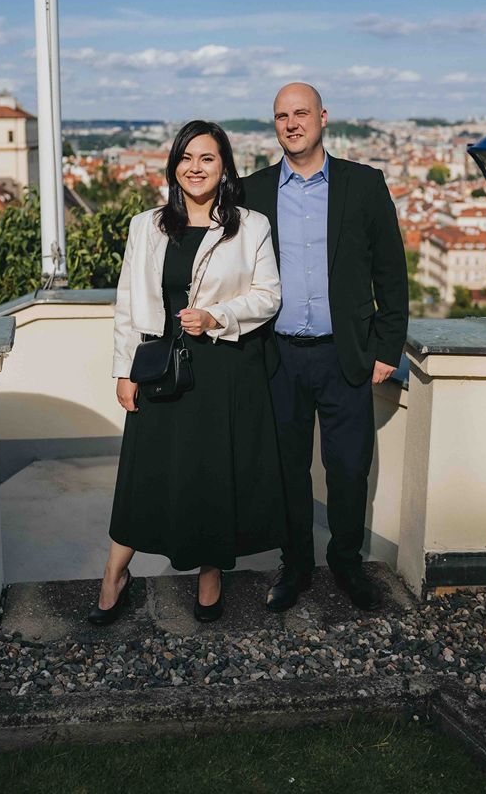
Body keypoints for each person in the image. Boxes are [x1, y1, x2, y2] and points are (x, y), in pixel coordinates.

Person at [89, 120, 286, 626]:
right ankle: (114, 574)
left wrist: (217, 316)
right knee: (144, 473)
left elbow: (268, 296)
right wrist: (124, 370)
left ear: (225, 168)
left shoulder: (251, 226)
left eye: (207, 158)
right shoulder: (146, 226)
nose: (195, 168)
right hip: (160, 366)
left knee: (212, 474)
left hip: (224, 370)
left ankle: (209, 575)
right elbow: (127, 304)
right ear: (174, 165)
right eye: (186, 158)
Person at [241, 83, 409, 613]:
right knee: (287, 470)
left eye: (301, 113)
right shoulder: (253, 191)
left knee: (349, 468)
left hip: (346, 354)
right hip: (278, 356)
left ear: (323, 117)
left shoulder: (364, 184)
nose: (292, 124)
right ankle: (295, 565)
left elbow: (391, 272)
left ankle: (346, 563)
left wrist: (387, 347)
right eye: (281, 116)